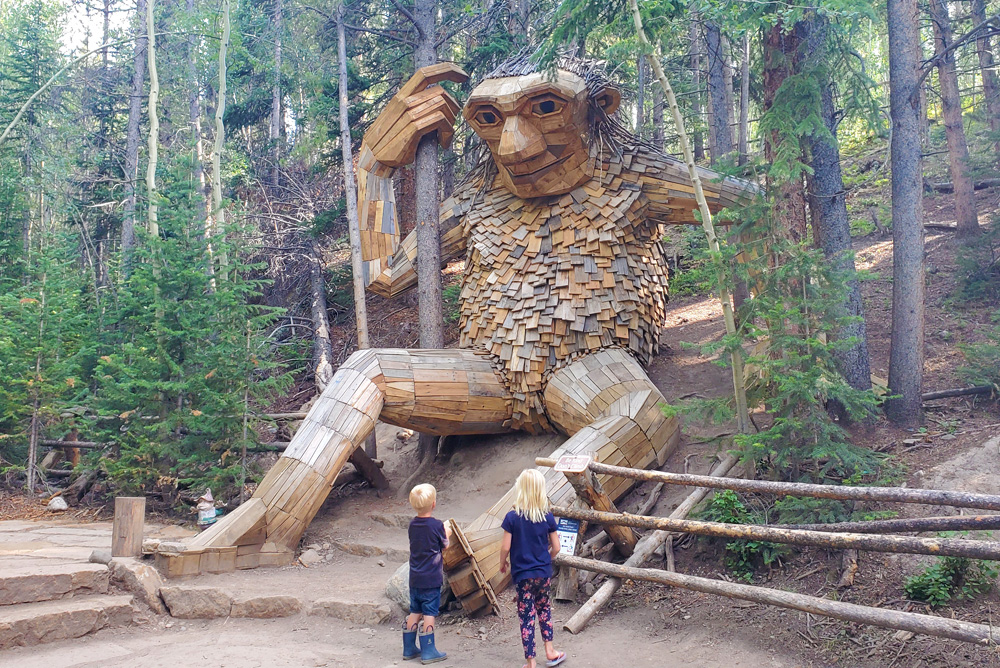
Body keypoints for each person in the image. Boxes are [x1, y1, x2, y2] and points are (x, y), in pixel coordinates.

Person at [500, 469, 566, 668]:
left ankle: (531, 661)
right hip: (542, 573)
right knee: (544, 609)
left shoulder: (512, 517)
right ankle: (550, 650)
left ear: (520, 489)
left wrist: (502, 563)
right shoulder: (547, 516)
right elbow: (556, 547)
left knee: (526, 615)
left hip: (522, 575)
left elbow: (505, 546)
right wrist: (548, 558)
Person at [404, 483, 450, 664]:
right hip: (431, 578)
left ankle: (409, 648)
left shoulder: (412, 525)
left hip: (414, 577)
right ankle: (428, 650)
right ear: (433, 504)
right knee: (429, 612)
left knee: (415, 610)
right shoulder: (437, 525)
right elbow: (444, 545)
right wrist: (447, 532)